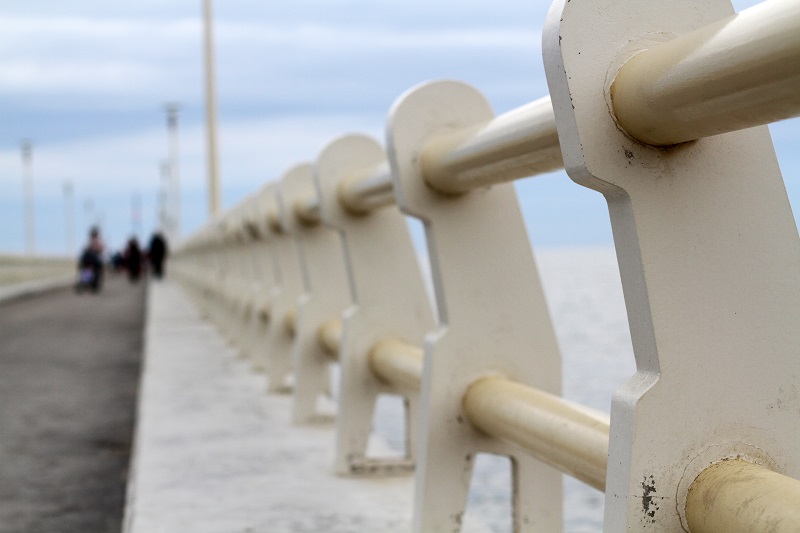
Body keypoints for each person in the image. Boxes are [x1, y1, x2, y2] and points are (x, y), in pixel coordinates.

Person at [77, 226, 104, 292]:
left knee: (95, 271)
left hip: (93, 261)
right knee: (85, 271)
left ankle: (88, 283)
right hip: (89, 261)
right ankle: (85, 282)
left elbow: (100, 249)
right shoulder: (91, 242)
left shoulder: (96, 242)